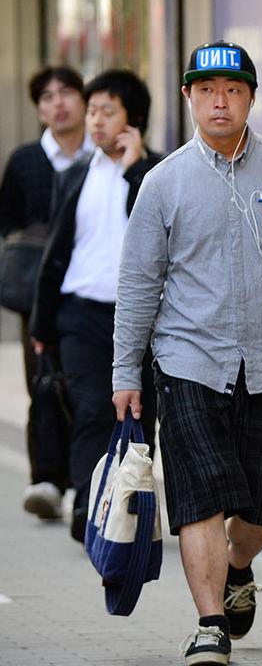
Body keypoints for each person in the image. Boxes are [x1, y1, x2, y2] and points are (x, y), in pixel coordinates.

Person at [111, 41, 262, 666]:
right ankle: (210, 625)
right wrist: (124, 370)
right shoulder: (163, 183)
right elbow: (138, 282)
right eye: (206, 90)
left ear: (251, 98)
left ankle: (238, 563)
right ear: (189, 97)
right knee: (200, 496)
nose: (219, 101)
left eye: (233, 90)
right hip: (188, 363)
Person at [29, 69, 162, 542]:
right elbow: (57, 252)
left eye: (108, 111)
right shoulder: (78, 175)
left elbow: (155, 231)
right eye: (93, 111)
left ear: (134, 119)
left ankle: (128, 508)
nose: (96, 120)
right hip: (81, 315)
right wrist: (42, 323)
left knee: (139, 416)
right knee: (90, 408)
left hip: (142, 320)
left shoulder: (155, 175)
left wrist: (134, 168)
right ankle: (89, 507)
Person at [0, 66, 91, 520]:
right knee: (42, 382)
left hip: (89, 289)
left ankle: (82, 481)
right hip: (39, 292)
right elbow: (8, 222)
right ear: (38, 108)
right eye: (47, 97)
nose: (58, 103)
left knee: (85, 385)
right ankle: (47, 480)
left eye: (67, 93)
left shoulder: (101, 157)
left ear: (83, 100)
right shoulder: (25, 161)